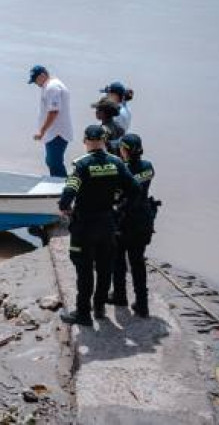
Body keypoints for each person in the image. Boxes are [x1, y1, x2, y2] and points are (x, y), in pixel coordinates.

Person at [58, 125, 139, 326]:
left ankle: (83, 314)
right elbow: (135, 189)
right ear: (105, 141)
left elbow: (69, 192)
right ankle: (100, 307)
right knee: (104, 268)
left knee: (84, 270)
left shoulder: (81, 165)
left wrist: (64, 207)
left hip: (84, 226)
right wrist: (118, 202)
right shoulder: (117, 163)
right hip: (107, 223)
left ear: (85, 141)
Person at [109, 133, 156, 318]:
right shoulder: (149, 167)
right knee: (137, 262)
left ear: (124, 150)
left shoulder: (121, 170)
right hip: (143, 220)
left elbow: (115, 195)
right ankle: (142, 304)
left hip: (124, 221)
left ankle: (120, 295)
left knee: (118, 260)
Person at [29, 65, 73, 177]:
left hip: (57, 133)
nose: (36, 83)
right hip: (53, 132)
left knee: (54, 162)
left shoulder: (52, 87)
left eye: (36, 80)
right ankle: (58, 185)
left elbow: (54, 111)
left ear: (43, 75)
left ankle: (62, 188)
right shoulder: (50, 86)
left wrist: (42, 131)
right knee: (51, 161)